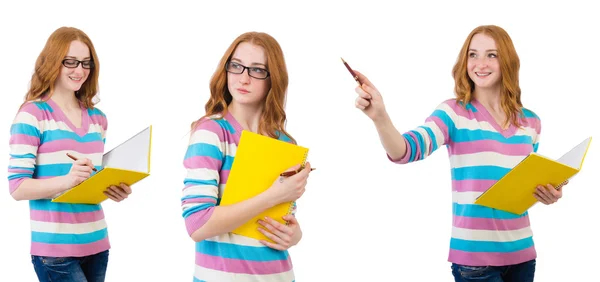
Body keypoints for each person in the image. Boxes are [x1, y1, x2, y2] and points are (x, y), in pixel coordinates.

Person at [353, 25, 566, 282]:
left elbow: (522, 185)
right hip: (475, 264)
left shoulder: (530, 122)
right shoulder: (454, 113)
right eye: (473, 54)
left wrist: (548, 192)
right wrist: (380, 117)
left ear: (507, 61)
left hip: (523, 254)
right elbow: (405, 150)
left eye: (492, 55)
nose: (480, 64)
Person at [181, 31, 311, 281]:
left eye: (257, 70)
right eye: (237, 66)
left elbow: (284, 218)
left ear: (274, 79)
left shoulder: (284, 142)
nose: (244, 78)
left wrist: (294, 235)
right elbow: (197, 225)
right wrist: (274, 194)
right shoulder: (212, 132)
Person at [7, 26, 132, 282]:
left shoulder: (98, 119)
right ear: (53, 62)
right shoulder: (33, 115)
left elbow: (88, 182)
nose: (80, 71)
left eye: (86, 63)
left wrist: (111, 189)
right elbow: (17, 187)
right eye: (70, 62)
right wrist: (67, 180)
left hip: (97, 243)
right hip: (55, 252)